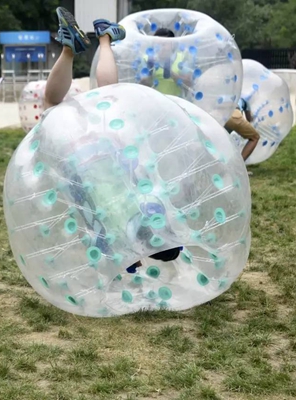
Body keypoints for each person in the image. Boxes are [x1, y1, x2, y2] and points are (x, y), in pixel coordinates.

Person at [44, 7, 182, 270]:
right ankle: (69, 49)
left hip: (114, 151)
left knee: (107, 96)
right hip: (79, 162)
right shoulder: (115, 243)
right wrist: (131, 262)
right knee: (51, 104)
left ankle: (104, 38)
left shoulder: (154, 209)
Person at [139, 28, 193, 97]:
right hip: (154, 101)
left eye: (163, 44)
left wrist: (171, 73)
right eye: (157, 44)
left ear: (172, 44)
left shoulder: (182, 58)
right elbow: (141, 87)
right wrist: (150, 71)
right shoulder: (146, 59)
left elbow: (188, 83)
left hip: (176, 101)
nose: (160, 48)